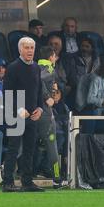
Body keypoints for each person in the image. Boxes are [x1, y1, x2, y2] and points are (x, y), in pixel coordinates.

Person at [2, 37, 44, 192]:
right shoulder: (13, 67)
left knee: (29, 149)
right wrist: (19, 109)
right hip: (15, 115)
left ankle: (27, 181)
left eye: (32, 47)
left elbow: (39, 90)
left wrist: (39, 108)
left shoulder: (36, 67)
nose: (30, 50)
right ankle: (8, 182)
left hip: (32, 115)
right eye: (26, 47)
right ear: (20, 49)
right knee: (13, 149)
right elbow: (7, 92)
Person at [35, 46, 64, 188]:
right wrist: (48, 97)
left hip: (32, 111)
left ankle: (27, 172)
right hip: (45, 113)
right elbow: (40, 81)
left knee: (32, 144)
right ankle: (57, 178)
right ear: (51, 57)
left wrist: (54, 90)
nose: (56, 59)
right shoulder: (49, 68)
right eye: (55, 57)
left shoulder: (34, 67)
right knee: (52, 145)